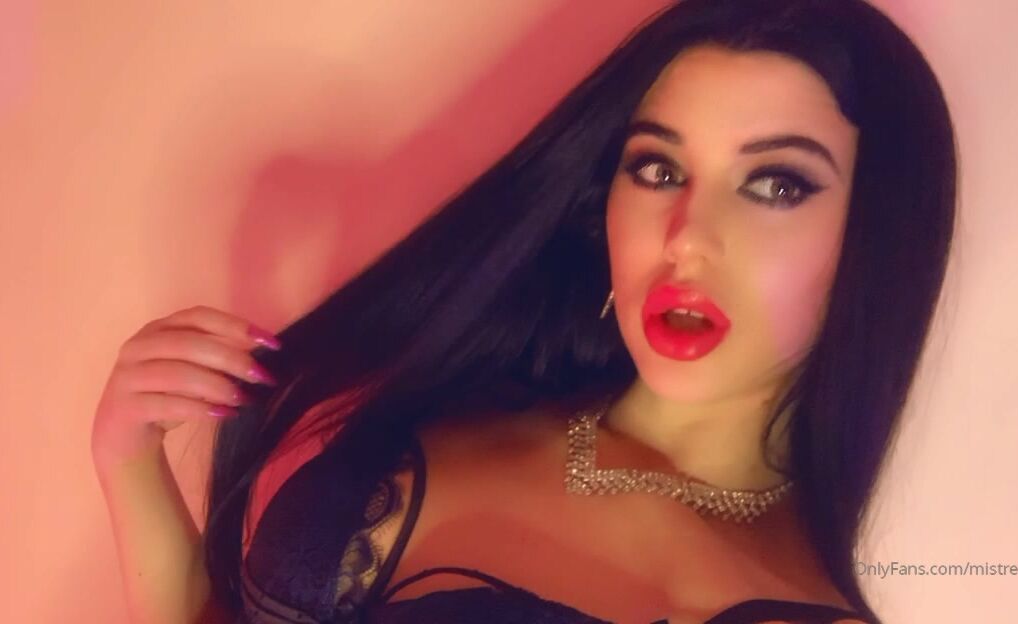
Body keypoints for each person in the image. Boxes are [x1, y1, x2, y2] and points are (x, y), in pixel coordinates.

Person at [91, 0, 958, 622]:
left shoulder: (790, 599)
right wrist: (128, 461)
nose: (687, 238)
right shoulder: (462, 403)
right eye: (657, 169)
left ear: (874, 241)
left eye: (776, 185)